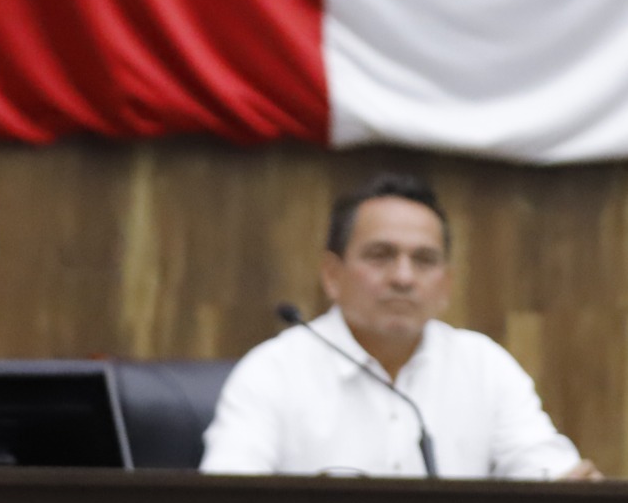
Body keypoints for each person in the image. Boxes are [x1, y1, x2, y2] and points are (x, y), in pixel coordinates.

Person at [201, 172, 600, 480]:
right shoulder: (273, 372)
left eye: (424, 260)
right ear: (332, 274)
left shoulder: (484, 367)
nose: (403, 278)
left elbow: (545, 475)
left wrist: (570, 487)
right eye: (380, 255)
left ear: (446, 283)